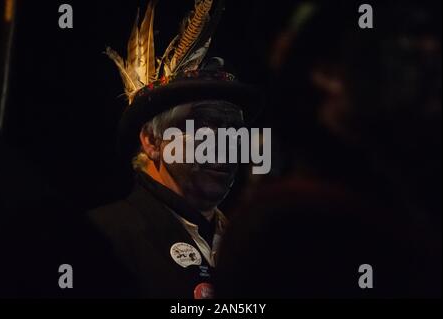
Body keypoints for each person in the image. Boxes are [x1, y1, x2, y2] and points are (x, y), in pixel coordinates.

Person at [215, 0, 441, 298]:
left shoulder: (406, 202)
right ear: (328, 71)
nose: (428, 53)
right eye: (397, 40)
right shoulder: (287, 229)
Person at [74, 0, 259, 298]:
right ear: (152, 141)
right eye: (203, 124)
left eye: (234, 128)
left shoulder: (254, 245)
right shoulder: (99, 238)